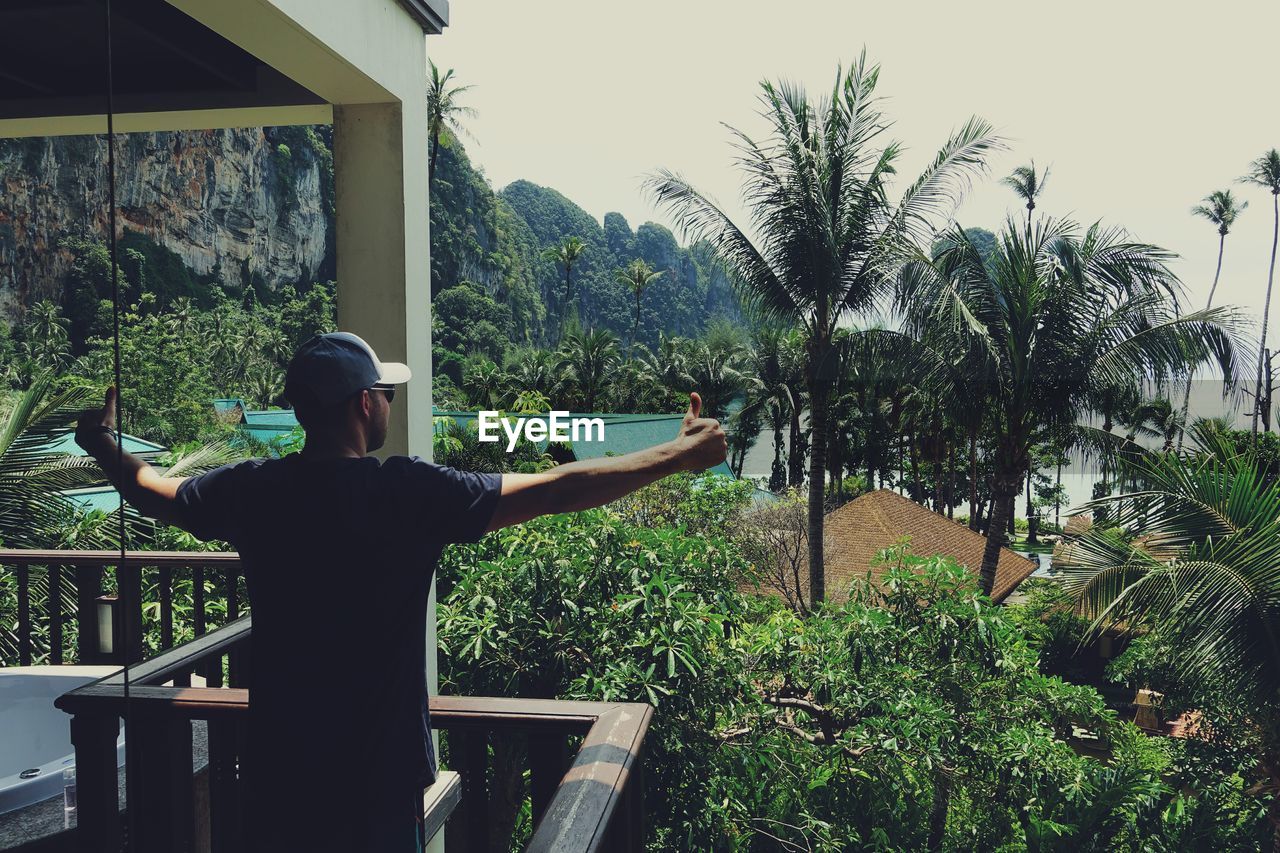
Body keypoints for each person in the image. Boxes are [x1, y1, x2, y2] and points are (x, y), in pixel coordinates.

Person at [75, 331, 727, 852]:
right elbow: (559, 488)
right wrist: (676, 455)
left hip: (280, 774)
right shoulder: (407, 493)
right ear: (364, 403)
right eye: (385, 392)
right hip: (378, 783)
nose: (390, 402)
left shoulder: (254, 491)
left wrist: (100, 441)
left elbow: (150, 489)